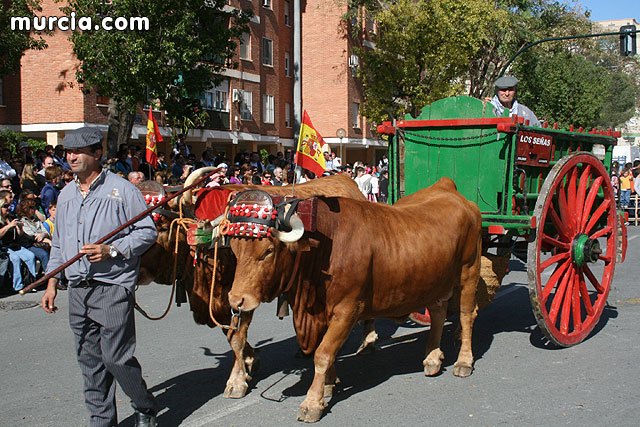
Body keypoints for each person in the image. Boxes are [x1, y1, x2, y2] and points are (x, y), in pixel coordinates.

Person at [40, 127, 159, 427]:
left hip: (112, 287)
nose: (71, 157)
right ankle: (102, 423)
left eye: (78, 151)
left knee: (116, 358)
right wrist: (52, 282)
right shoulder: (65, 194)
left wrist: (112, 249)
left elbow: (147, 232)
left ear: (97, 154)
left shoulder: (122, 190)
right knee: (90, 364)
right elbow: (59, 243)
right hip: (78, 289)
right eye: (68, 152)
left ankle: (144, 405)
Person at [0, 197, 38, 292]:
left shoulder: (11, 217)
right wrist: (9, 226)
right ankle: (17, 286)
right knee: (15, 258)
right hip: (4, 247)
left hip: (14, 245)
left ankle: (30, 283)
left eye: (9, 206)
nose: (8, 208)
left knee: (30, 256)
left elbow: (19, 235)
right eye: (5, 206)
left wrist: (20, 228)